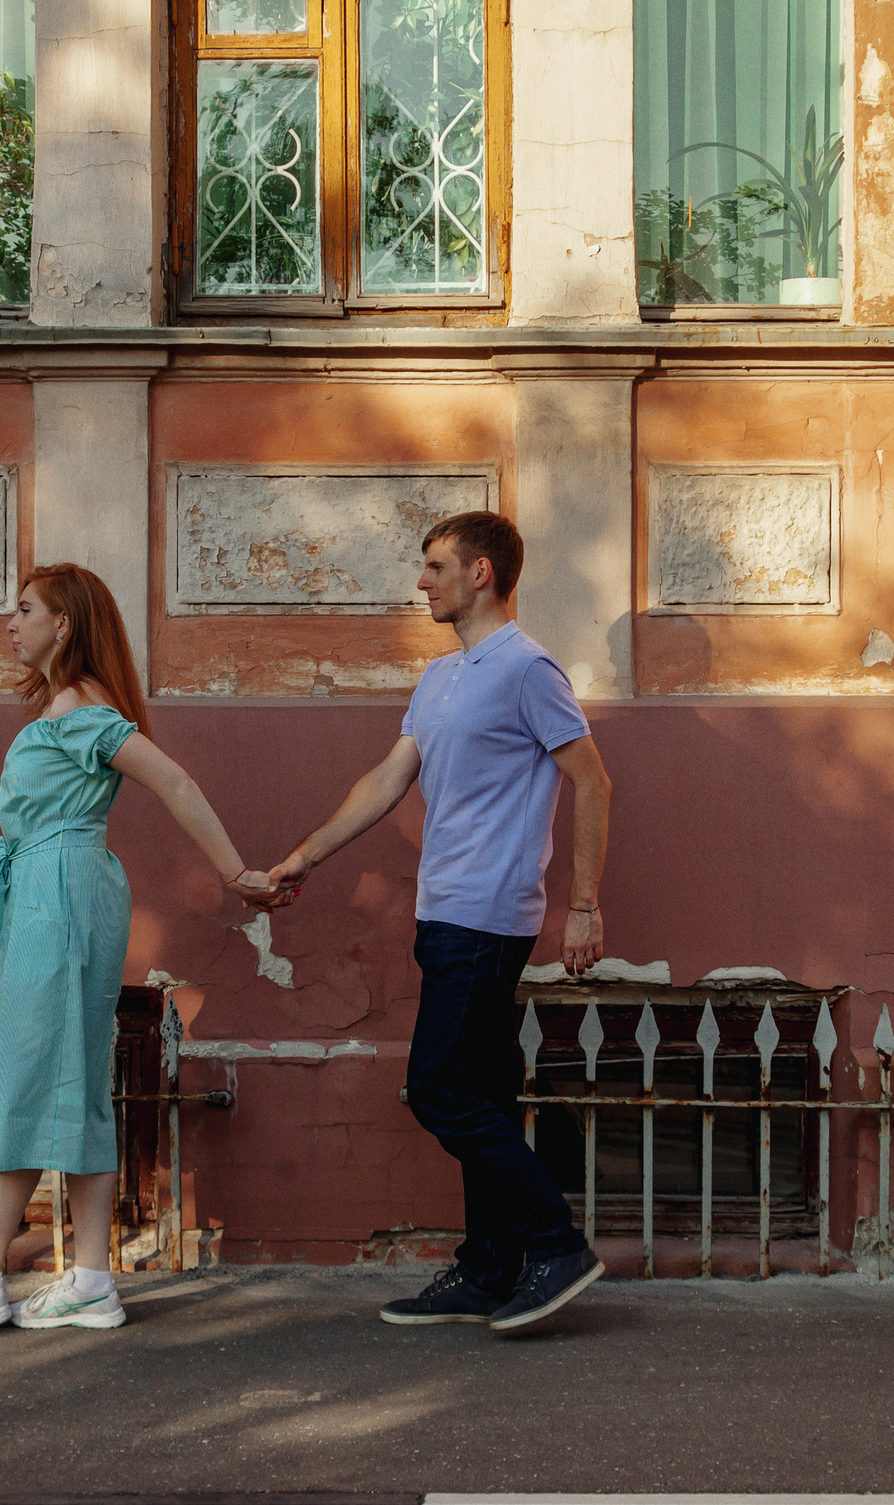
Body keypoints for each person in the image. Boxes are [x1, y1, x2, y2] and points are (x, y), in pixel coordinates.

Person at [0, 562, 280, 1331]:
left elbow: (172, 782)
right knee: (67, 1076)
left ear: (64, 624)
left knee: (27, 1074)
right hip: (58, 889)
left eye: (26, 608)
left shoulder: (80, 710)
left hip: (60, 894)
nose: (12, 621)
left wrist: (235, 871)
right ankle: (92, 1280)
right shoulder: (72, 707)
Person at [264, 510, 616, 1332]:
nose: (421, 581)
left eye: (434, 566)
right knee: (482, 1093)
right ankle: (490, 1267)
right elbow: (387, 781)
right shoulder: (442, 678)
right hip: (442, 909)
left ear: (481, 572)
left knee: (438, 1089)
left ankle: (556, 1244)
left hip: (489, 914)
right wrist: (303, 858)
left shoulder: (527, 669)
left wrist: (584, 905)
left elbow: (594, 783)